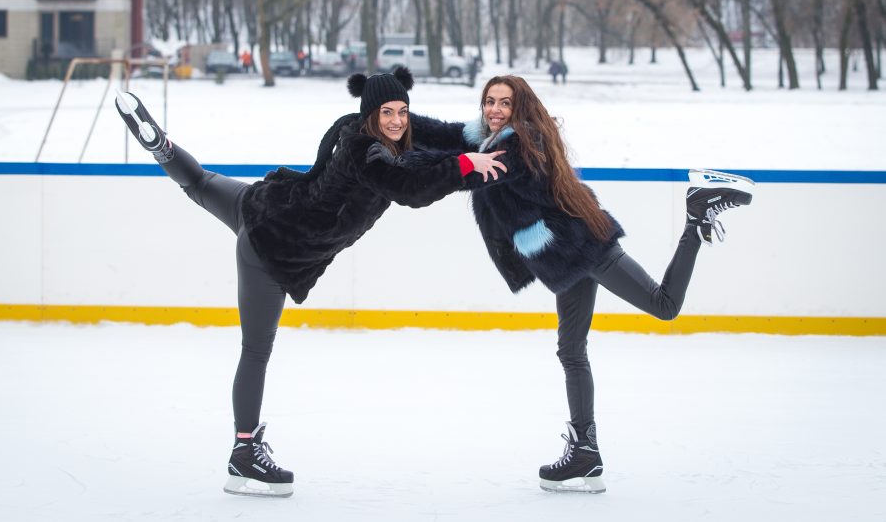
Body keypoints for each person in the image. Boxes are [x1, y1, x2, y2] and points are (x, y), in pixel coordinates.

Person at [112, 67, 506, 498]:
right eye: (387, 113)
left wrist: (487, 130)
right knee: (256, 350)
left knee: (199, 181)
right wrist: (467, 164)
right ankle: (244, 454)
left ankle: (160, 145)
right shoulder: (365, 151)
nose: (397, 120)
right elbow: (410, 188)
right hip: (271, 250)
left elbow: (442, 136)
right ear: (369, 114)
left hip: (259, 202)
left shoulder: (380, 131)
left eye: (402, 111)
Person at [408, 75, 754, 494]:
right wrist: (391, 113)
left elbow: (469, 174)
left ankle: (697, 215)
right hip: (563, 262)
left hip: (586, 247)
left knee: (664, 305)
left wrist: (432, 170)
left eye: (504, 103)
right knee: (571, 351)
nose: (495, 109)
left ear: (520, 108)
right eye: (489, 101)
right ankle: (585, 453)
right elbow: (442, 135)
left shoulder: (519, 144)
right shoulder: (487, 139)